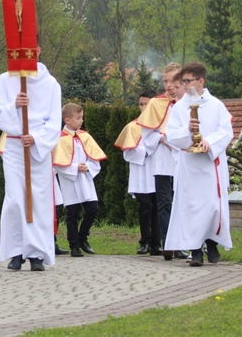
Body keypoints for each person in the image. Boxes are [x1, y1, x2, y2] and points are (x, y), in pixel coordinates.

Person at [0, 62, 61, 271]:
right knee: (15, 198)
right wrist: (14, 105)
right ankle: (16, 251)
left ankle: (36, 253)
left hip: (38, 148)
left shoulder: (51, 84)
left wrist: (37, 138)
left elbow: (54, 121)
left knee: (38, 200)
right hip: (14, 146)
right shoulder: (5, 80)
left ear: (37, 50)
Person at [164, 62, 233, 266]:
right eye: (183, 81)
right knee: (191, 208)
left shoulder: (216, 105)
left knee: (212, 207)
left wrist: (209, 142)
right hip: (189, 166)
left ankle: (211, 242)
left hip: (210, 164)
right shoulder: (179, 107)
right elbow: (171, 135)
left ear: (201, 81)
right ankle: (195, 251)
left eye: (188, 81)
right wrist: (188, 132)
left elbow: (226, 131)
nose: (184, 85)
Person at [137, 62, 187, 261]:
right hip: (163, 159)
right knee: (164, 202)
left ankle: (184, 243)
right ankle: (169, 243)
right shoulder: (155, 104)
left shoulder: (187, 102)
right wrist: (162, 138)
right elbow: (146, 133)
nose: (168, 85)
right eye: (165, 81)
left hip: (183, 157)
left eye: (172, 80)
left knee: (182, 201)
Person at [53, 103, 107, 257]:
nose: (81, 121)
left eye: (82, 117)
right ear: (67, 120)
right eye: (78, 118)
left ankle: (83, 237)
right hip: (70, 180)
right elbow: (58, 163)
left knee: (93, 208)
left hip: (85, 178)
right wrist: (75, 167)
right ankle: (74, 245)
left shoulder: (85, 136)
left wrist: (88, 166)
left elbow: (94, 158)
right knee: (73, 213)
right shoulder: (59, 139)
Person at [115, 90, 161, 255]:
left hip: (157, 170)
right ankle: (144, 241)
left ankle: (157, 243)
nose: (143, 107)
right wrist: (148, 150)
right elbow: (128, 152)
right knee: (145, 206)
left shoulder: (161, 125)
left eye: (147, 104)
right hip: (141, 172)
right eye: (141, 104)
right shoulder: (132, 127)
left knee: (157, 207)